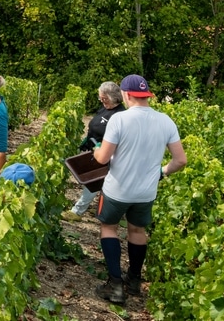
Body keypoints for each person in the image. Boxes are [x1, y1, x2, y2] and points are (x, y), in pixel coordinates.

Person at [92, 74, 186, 304]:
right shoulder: (166, 121)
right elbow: (180, 160)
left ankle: (115, 285)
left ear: (126, 94)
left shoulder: (120, 120)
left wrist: (95, 150)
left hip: (118, 189)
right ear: (146, 95)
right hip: (146, 192)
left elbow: (103, 158)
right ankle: (134, 280)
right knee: (137, 232)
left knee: (109, 228)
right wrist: (161, 172)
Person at [63, 82, 126, 222]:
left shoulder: (120, 115)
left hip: (107, 153)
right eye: (101, 98)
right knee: (98, 181)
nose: (102, 101)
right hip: (94, 149)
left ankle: (77, 211)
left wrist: (102, 147)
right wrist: (88, 138)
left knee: (93, 181)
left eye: (104, 99)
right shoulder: (105, 108)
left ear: (113, 98)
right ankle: (102, 207)